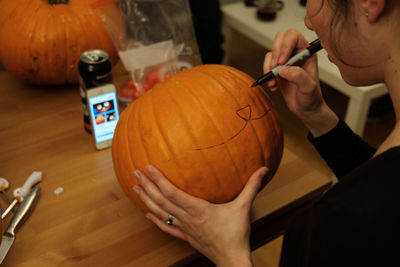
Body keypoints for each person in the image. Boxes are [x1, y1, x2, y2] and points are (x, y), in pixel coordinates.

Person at [131, 0, 400, 266]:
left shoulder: (332, 228)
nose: (308, 21)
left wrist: (230, 255)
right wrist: (317, 116)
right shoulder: (367, 204)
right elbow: (380, 181)